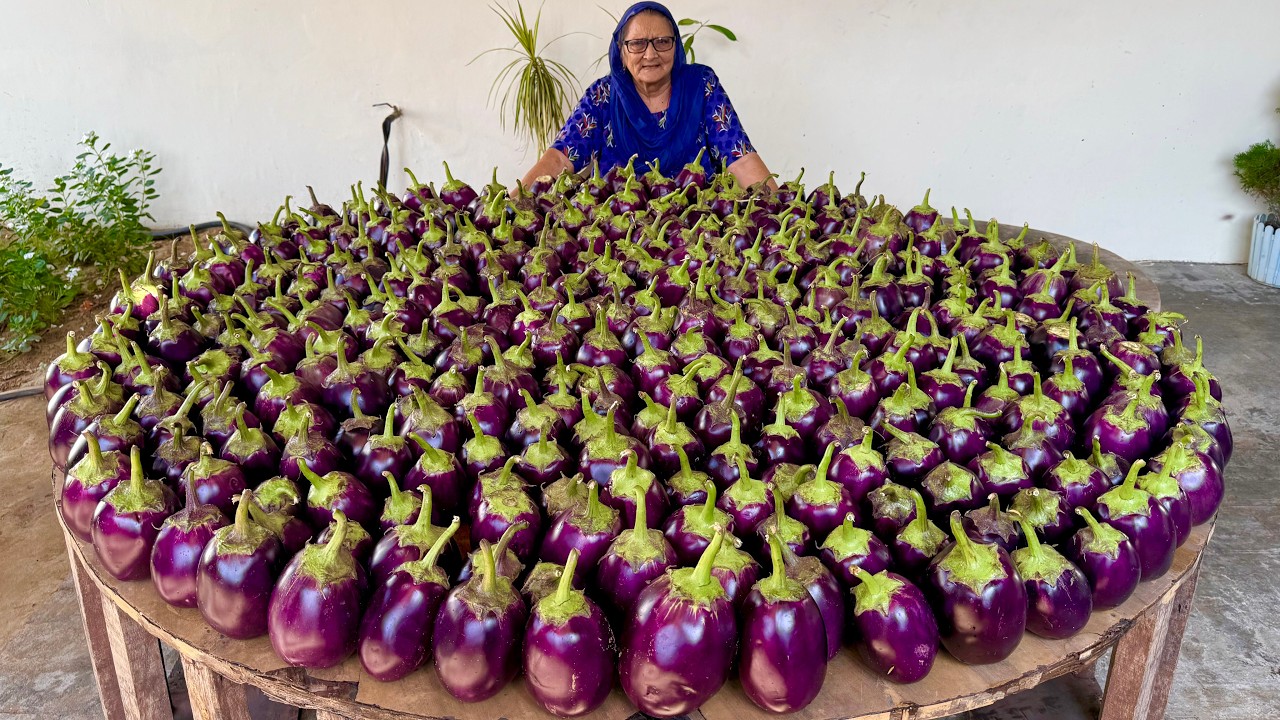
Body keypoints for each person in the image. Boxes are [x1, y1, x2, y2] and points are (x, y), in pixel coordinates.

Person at [519, 1, 776, 192]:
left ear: (676, 46)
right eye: (637, 44)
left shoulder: (701, 86)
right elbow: (560, 156)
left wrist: (777, 207)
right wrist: (511, 205)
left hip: (697, 232)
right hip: (617, 235)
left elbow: (740, 157)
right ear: (621, 51)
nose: (650, 55)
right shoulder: (603, 96)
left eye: (662, 42)